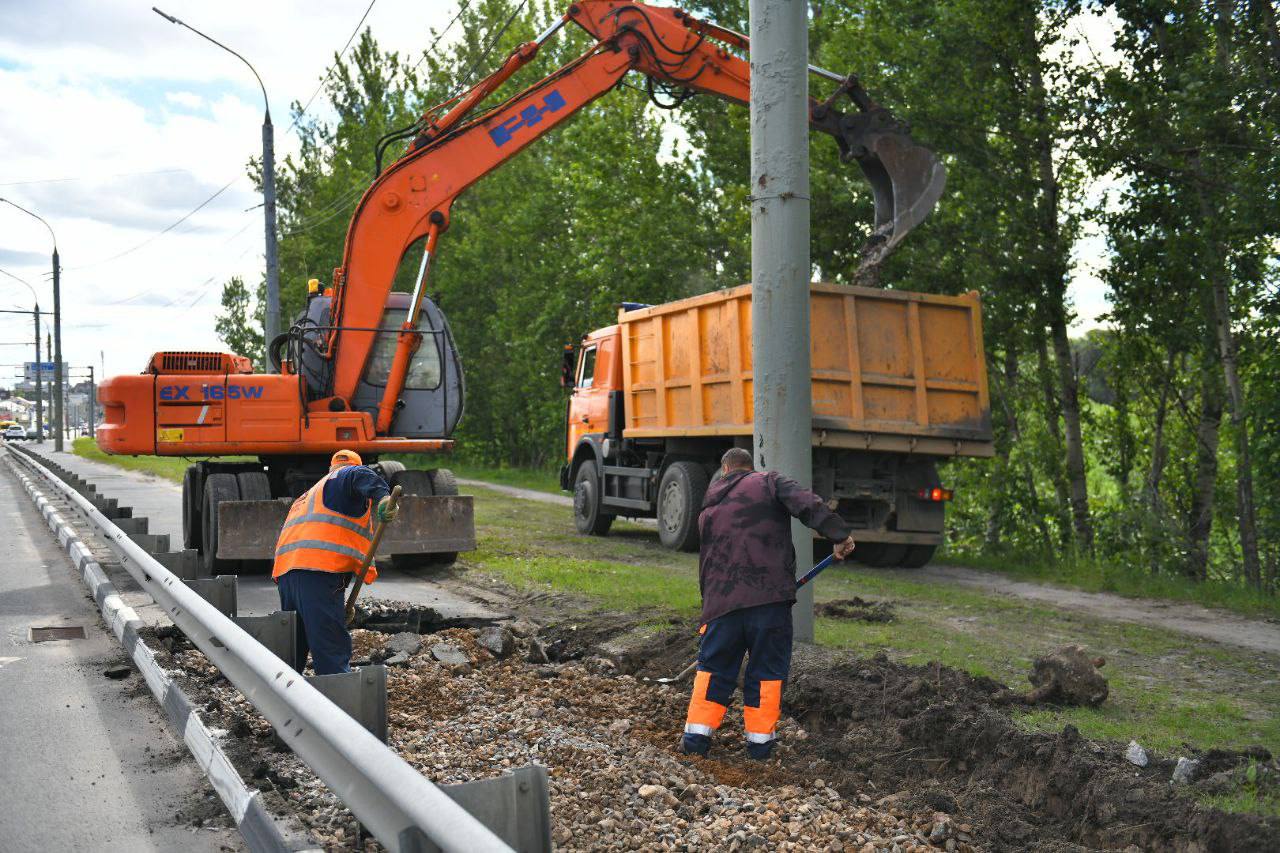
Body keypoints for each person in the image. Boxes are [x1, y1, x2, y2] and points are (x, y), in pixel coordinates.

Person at [681, 447, 856, 760]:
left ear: (724, 471)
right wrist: (839, 534)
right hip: (768, 602)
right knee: (766, 674)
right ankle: (760, 749)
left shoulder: (707, 506)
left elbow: (705, 563)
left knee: (712, 671)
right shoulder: (768, 482)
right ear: (749, 468)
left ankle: (695, 743)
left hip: (722, 605)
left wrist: (709, 608)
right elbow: (807, 503)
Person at [272, 449, 398, 675]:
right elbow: (358, 475)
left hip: (287, 575)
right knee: (330, 649)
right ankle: (337, 704)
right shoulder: (346, 475)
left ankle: (286, 703)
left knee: (293, 650)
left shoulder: (308, 495)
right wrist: (384, 498)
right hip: (317, 574)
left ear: (329, 468)